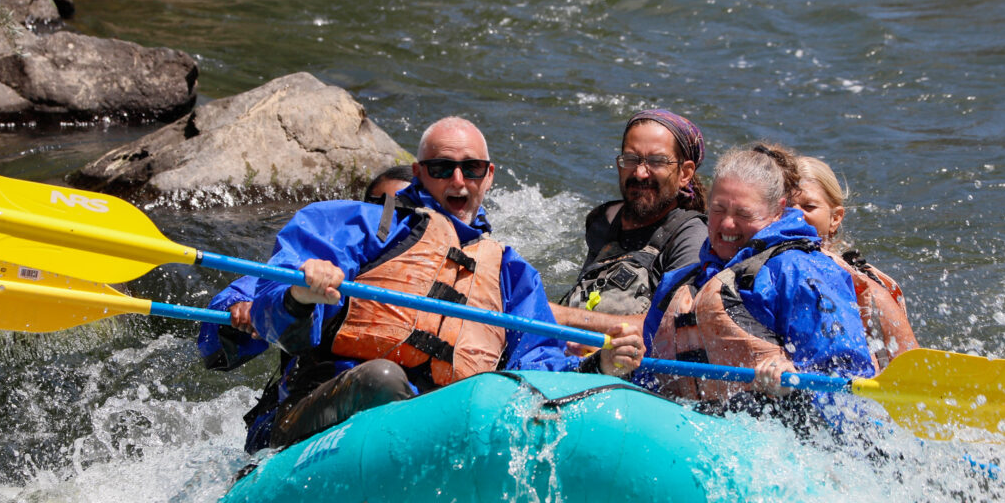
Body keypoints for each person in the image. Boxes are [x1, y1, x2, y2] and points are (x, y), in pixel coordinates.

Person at [249, 116, 643, 449]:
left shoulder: (512, 273)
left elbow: (540, 370)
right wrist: (300, 293)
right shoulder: (357, 225)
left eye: (471, 168)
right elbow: (270, 309)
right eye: (441, 168)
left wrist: (599, 365)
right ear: (419, 173)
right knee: (381, 379)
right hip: (327, 412)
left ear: (488, 176)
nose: (458, 180)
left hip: (439, 431)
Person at [619, 147, 873, 419]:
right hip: (686, 426)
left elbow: (846, 377)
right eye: (718, 209)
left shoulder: (798, 271)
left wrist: (794, 383)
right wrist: (616, 363)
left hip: (777, 432)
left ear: (778, 211)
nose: (727, 224)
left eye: (744, 214)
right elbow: (646, 379)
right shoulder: (678, 282)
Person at [194, 165, 418, 451]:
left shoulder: (432, 278)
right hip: (309, 412)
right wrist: (241, 309)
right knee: (380, 379)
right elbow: (216, 342)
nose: (391, 215)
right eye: (382, 205)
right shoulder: (320, 261)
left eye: (406, 208)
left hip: (404, 409)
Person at [548, 109, 708, 337]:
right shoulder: (604, 220)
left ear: (685, 173)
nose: (641, 173)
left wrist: (566, 317)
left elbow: (671, 328)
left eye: (657, 161)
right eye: (631, 159)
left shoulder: (691, 237)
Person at [790, 153, 918, 370]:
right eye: (787, 206)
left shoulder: (871, 290)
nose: (795, 214)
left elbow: (912, 364)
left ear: (835, 217)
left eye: (809, 206)